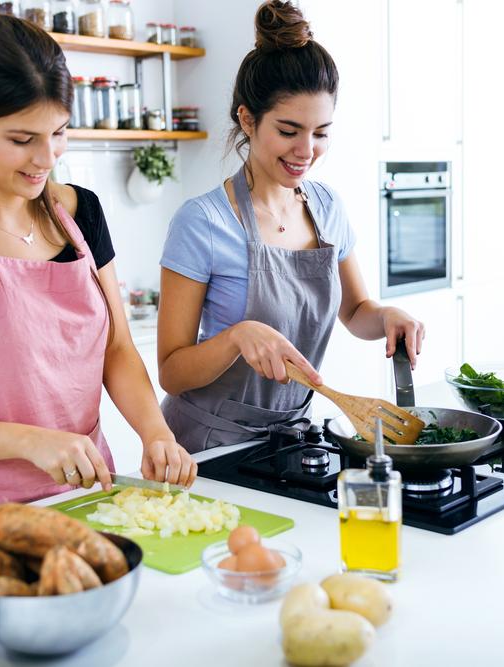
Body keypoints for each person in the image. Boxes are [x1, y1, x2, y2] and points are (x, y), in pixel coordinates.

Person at [0, 14, 196, 534]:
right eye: (23, 139)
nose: (46, 158)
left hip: (92, 497)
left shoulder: (81, 216)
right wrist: (30, 441)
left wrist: (154, 431)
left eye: (59, 133)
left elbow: (116, 348)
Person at [158, 0, 426, 453]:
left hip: (291, 438)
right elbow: (171, 370)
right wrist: (236, 338)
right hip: (206, 443)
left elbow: (356, 310)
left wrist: (387, 318)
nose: (307, 150)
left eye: (321, 132)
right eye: (288, 131)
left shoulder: (326, 207)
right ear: (247, 119)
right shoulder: (203, 221)